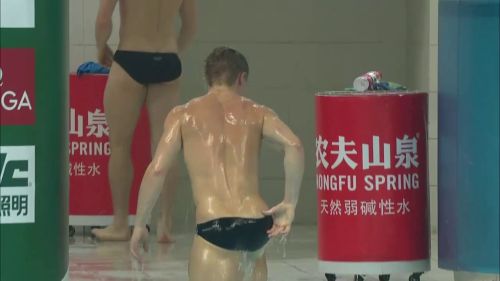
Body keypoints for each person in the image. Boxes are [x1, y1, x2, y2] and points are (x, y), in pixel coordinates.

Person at [130, 47, 305, 281]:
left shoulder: (183, 115)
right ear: (241, 78)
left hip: (216, 224)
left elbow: (158, 169)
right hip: (258, 224)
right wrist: (290, 203)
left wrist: (141, 224)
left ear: (208, 79)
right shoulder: (259, 112)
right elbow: (294, 146)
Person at [92, 0, 197, 242]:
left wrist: (100, 49)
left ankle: (120, 223)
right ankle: (165, 222)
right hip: (168, 61)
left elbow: (102, 21)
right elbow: (190, 27)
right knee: (165, 148)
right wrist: (173, 52)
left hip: (130, 56)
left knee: (119, 146)